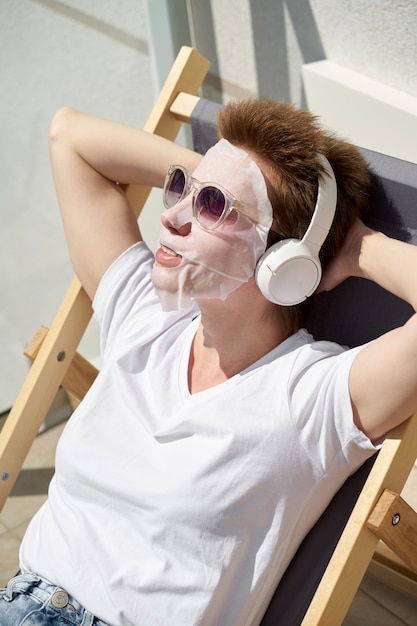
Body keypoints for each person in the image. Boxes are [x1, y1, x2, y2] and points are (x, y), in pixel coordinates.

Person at [1, 96, 417, 626]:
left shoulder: (313, 396)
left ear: (282, 261)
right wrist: (216, 173)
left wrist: (358, 248)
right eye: (183, 191)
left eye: (212, 206)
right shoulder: (145, 315)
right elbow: (70, 137)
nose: (170, 216)